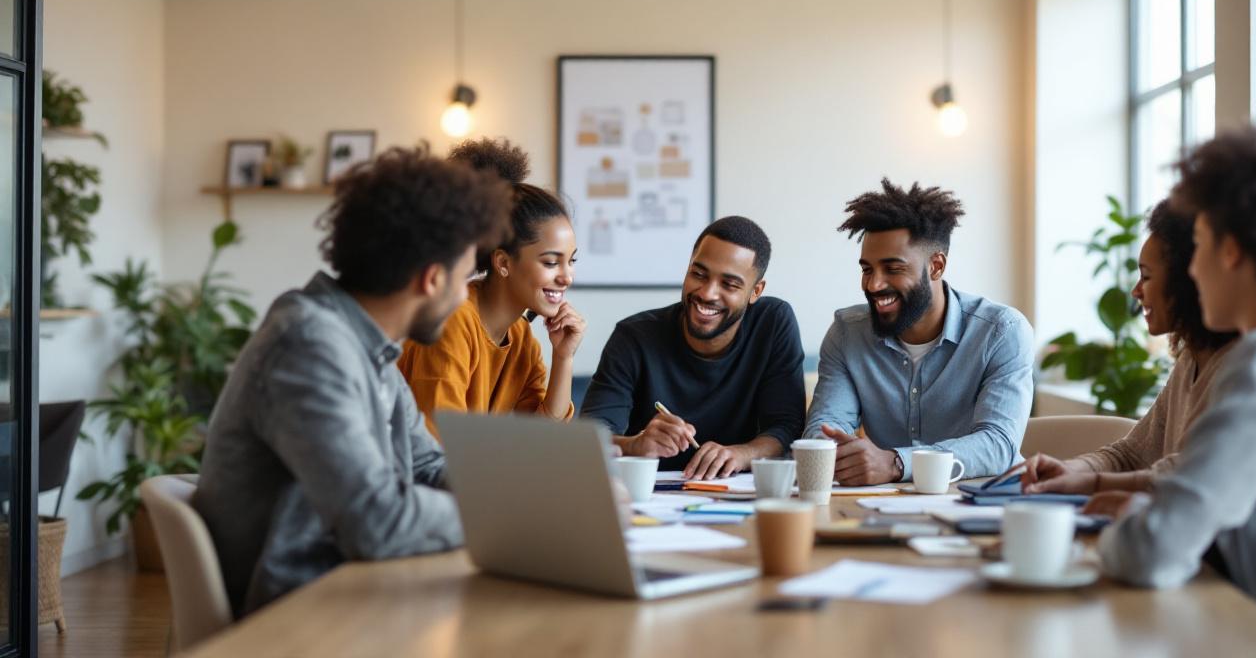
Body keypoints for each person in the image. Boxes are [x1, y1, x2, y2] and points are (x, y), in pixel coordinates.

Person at [194, 148, 510, 617]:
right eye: (465, 280)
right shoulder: (308, 345)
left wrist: (544, 495)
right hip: (303, 619)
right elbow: (376, 521)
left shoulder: (368, 347)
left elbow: (428, 467)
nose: (465, 295)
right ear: (430, 279)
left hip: (358, 591)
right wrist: (516, 519)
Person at [1094, 120, 1256, 652]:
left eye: (1200, 245)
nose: (1193, 271)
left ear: (1231, 250)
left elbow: (1153, 550)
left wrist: (1130, 516)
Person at [803, 180, 1033, 485]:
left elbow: (997, 445)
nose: (873, 285)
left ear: (936, 266)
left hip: (980, 503)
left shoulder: (1002, 332)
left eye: (893, 269)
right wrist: (832, 449)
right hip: (878, 507)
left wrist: (897, 463)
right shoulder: (847, 334)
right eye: (867, 269)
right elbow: (826, 426)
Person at [1020, 200, 1238, 495]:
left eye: (1146, 276)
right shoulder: (1190, 359)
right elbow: (1131, 455)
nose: (1136, 291)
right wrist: (1073, 468)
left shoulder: (1237, 367)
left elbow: (1189, 473)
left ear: (1188, 281)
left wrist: (1091, 481)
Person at [580, 216, 805, 478]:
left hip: (733, 495)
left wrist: (741, 454)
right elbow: (591, 437)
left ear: (756, 291)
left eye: (729, 284)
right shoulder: (633, 337)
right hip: (651, 498)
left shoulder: (773, 322)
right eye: (698, 274)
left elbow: (787, 426)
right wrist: (635, 444)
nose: (707, 293)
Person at [398, 139, 586, 439]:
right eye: (551, 262)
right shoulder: (451, 322)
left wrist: (563, 358)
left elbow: (545, 441)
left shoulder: (521, 338)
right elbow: (438, 447)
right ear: (503, 262)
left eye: (571, 261)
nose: (567, 277)